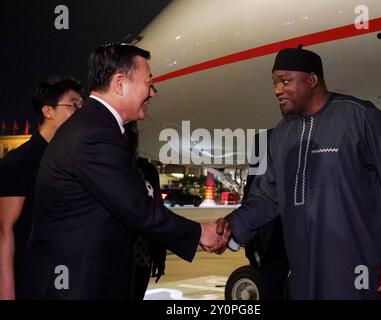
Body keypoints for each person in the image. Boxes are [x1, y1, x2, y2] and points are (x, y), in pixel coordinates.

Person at [17, 43, 225, 300]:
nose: (152, 92)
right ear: (119, 83)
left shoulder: (95, 127)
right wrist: (200, 233)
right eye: (148, 82)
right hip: (76, 287)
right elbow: (137, 209)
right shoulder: (95, 135)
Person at [216, 48, 381, 299]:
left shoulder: (360, 117)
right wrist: (230, 228)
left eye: (285, 81)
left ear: (312, 81)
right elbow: (266, 197)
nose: (277, 90)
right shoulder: (281, 136)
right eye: (275, 83)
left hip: (363, 274)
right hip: (306, 276)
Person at [0, 76, 83, 300]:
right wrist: (6, 292)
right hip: (29, 278)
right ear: (48, 111)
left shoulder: (73, 160)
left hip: (65, 277)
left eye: (82, 106)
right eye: (73, 105)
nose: (80, 112)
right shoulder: (21, 161)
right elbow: (4, 231)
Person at [243, 129, 289, 300]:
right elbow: (252, 190)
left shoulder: (322, 131)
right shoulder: (264, 140)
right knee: (272, 288)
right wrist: (249, 237)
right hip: (274, 234)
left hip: (309, 233)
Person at [123, 121, 166, 300]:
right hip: (116, 256)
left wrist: (159, 255)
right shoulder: (110, 167)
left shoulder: (147, 170)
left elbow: (158, 213)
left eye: (134, 134)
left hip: (143, 255)